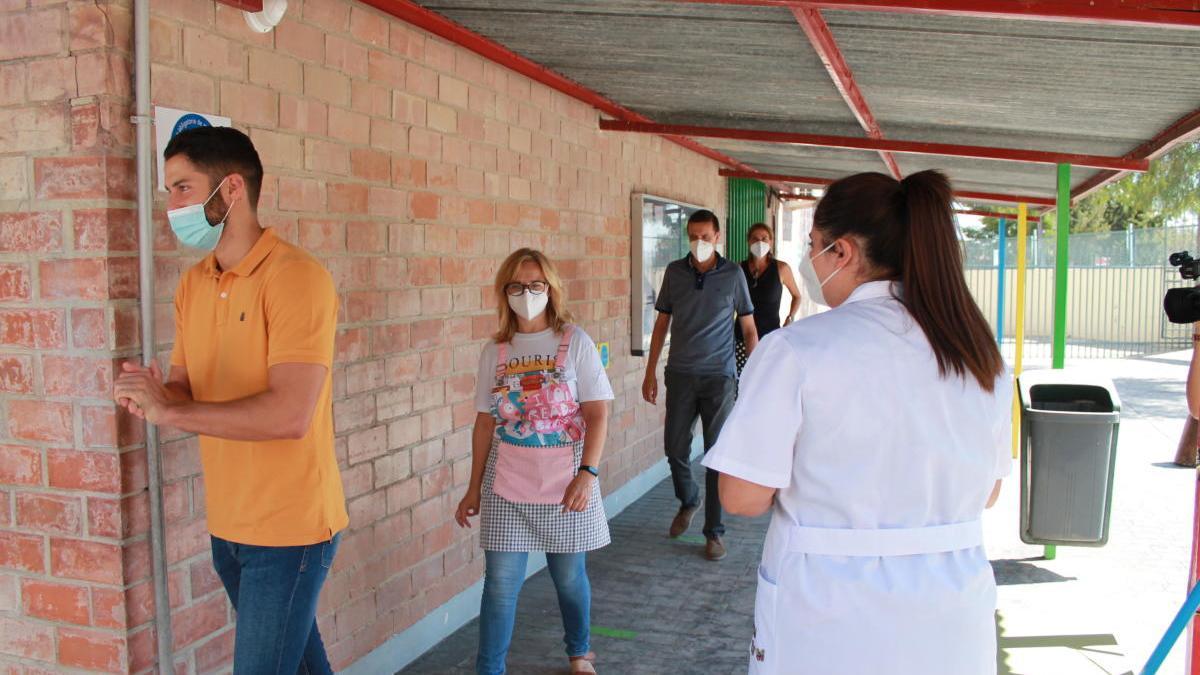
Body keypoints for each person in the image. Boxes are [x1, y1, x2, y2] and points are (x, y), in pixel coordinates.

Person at [704, 170, 1011, 674]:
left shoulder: (797, 350)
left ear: (841, 252)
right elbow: (989, 492)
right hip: (953, 615)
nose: (810, 260)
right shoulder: (980, 356)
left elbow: (740, 496)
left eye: (814, 246)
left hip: (828, 613)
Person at [113, 127, 346, 673]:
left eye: (182, 188)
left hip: (291, 529)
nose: (171, 206)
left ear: (232, 188)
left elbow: (290, 415)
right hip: (230, 523)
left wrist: (170, 410)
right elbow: (186, 392)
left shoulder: (297, 278)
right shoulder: (194, 283)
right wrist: (151, 396)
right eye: (169, 191)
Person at [455, 248, 613, 675]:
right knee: (501, 585)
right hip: (507, 481)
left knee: (568, 578)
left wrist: (588, 474)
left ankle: (579, 652)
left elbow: (598, 413)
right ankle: (490, 669)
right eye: (517, 286)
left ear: (551, 289)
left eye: (536, 285)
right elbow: (485, 423)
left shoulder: (574, 341)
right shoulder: (497, 351)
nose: (527, 293)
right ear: (504, 292)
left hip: (566, 482)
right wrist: (473, 488)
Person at [641, 209, 758, 561]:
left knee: (716, 455)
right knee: (674, 447)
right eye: (693, 235)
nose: (699, 242)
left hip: (719, 377)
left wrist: (755, 375)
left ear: (718, 237)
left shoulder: (734, 274)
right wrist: (649, 372)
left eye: (706, 236)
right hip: (680, 373)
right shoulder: (675, 273)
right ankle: (689, 499)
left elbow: (749, 329)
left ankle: (714, 533)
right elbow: (661, 324)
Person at [736, 223, 802, 374]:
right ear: (748, 242)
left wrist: (790, 318)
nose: (760, 243)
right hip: (741, 338)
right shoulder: (739, 269)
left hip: (770, 337)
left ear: (771, 242)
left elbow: (797, 296)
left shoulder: (781, 269)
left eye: (764, 238)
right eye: (755, 238)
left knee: (766, 381)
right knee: (742, 384)